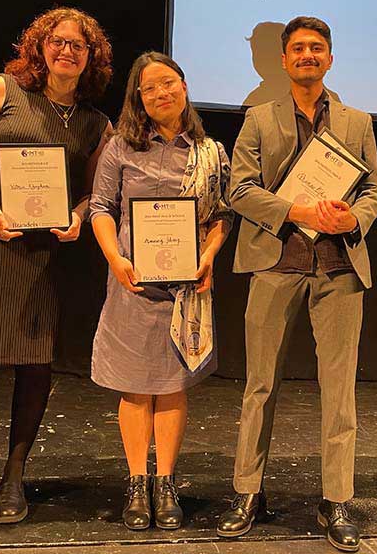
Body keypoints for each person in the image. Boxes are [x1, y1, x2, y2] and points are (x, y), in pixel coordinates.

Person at [0, 7, 113, 526]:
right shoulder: (4, 90)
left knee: (34, 364)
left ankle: (14, 477)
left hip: (39, 254)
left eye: (78, 45)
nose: (66, 51)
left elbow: (94, 193)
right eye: (57, 41)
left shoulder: (96, 123)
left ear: (91, 57)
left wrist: (79, 216)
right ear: (40, 46)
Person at [218, 17, 377, 553]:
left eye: (316, 48)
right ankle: (248, 492)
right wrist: (299, 211)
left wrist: (353, 219)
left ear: (329, 58)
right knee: (260, 386)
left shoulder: (358, 121)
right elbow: (238, 190)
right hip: (276, 266)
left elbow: (374, 190)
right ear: (284, 60)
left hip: (339, 269)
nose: (307, 55)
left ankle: (337, 499)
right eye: (297, 49)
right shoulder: (259, 118)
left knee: (339, 391)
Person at [89, 52, 233, 531]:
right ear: (139, 98)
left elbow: (221, 215)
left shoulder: (210, 151)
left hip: (186, 286)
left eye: (167, 83)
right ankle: (137, 483)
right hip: (132, 283)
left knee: (172, 387)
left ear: (184, 87)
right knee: (135, 388)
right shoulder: (121, 147)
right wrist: (116, 258)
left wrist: (209, 256)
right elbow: (101, 207)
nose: (160, 94)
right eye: (149, 88)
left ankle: (166, 483)